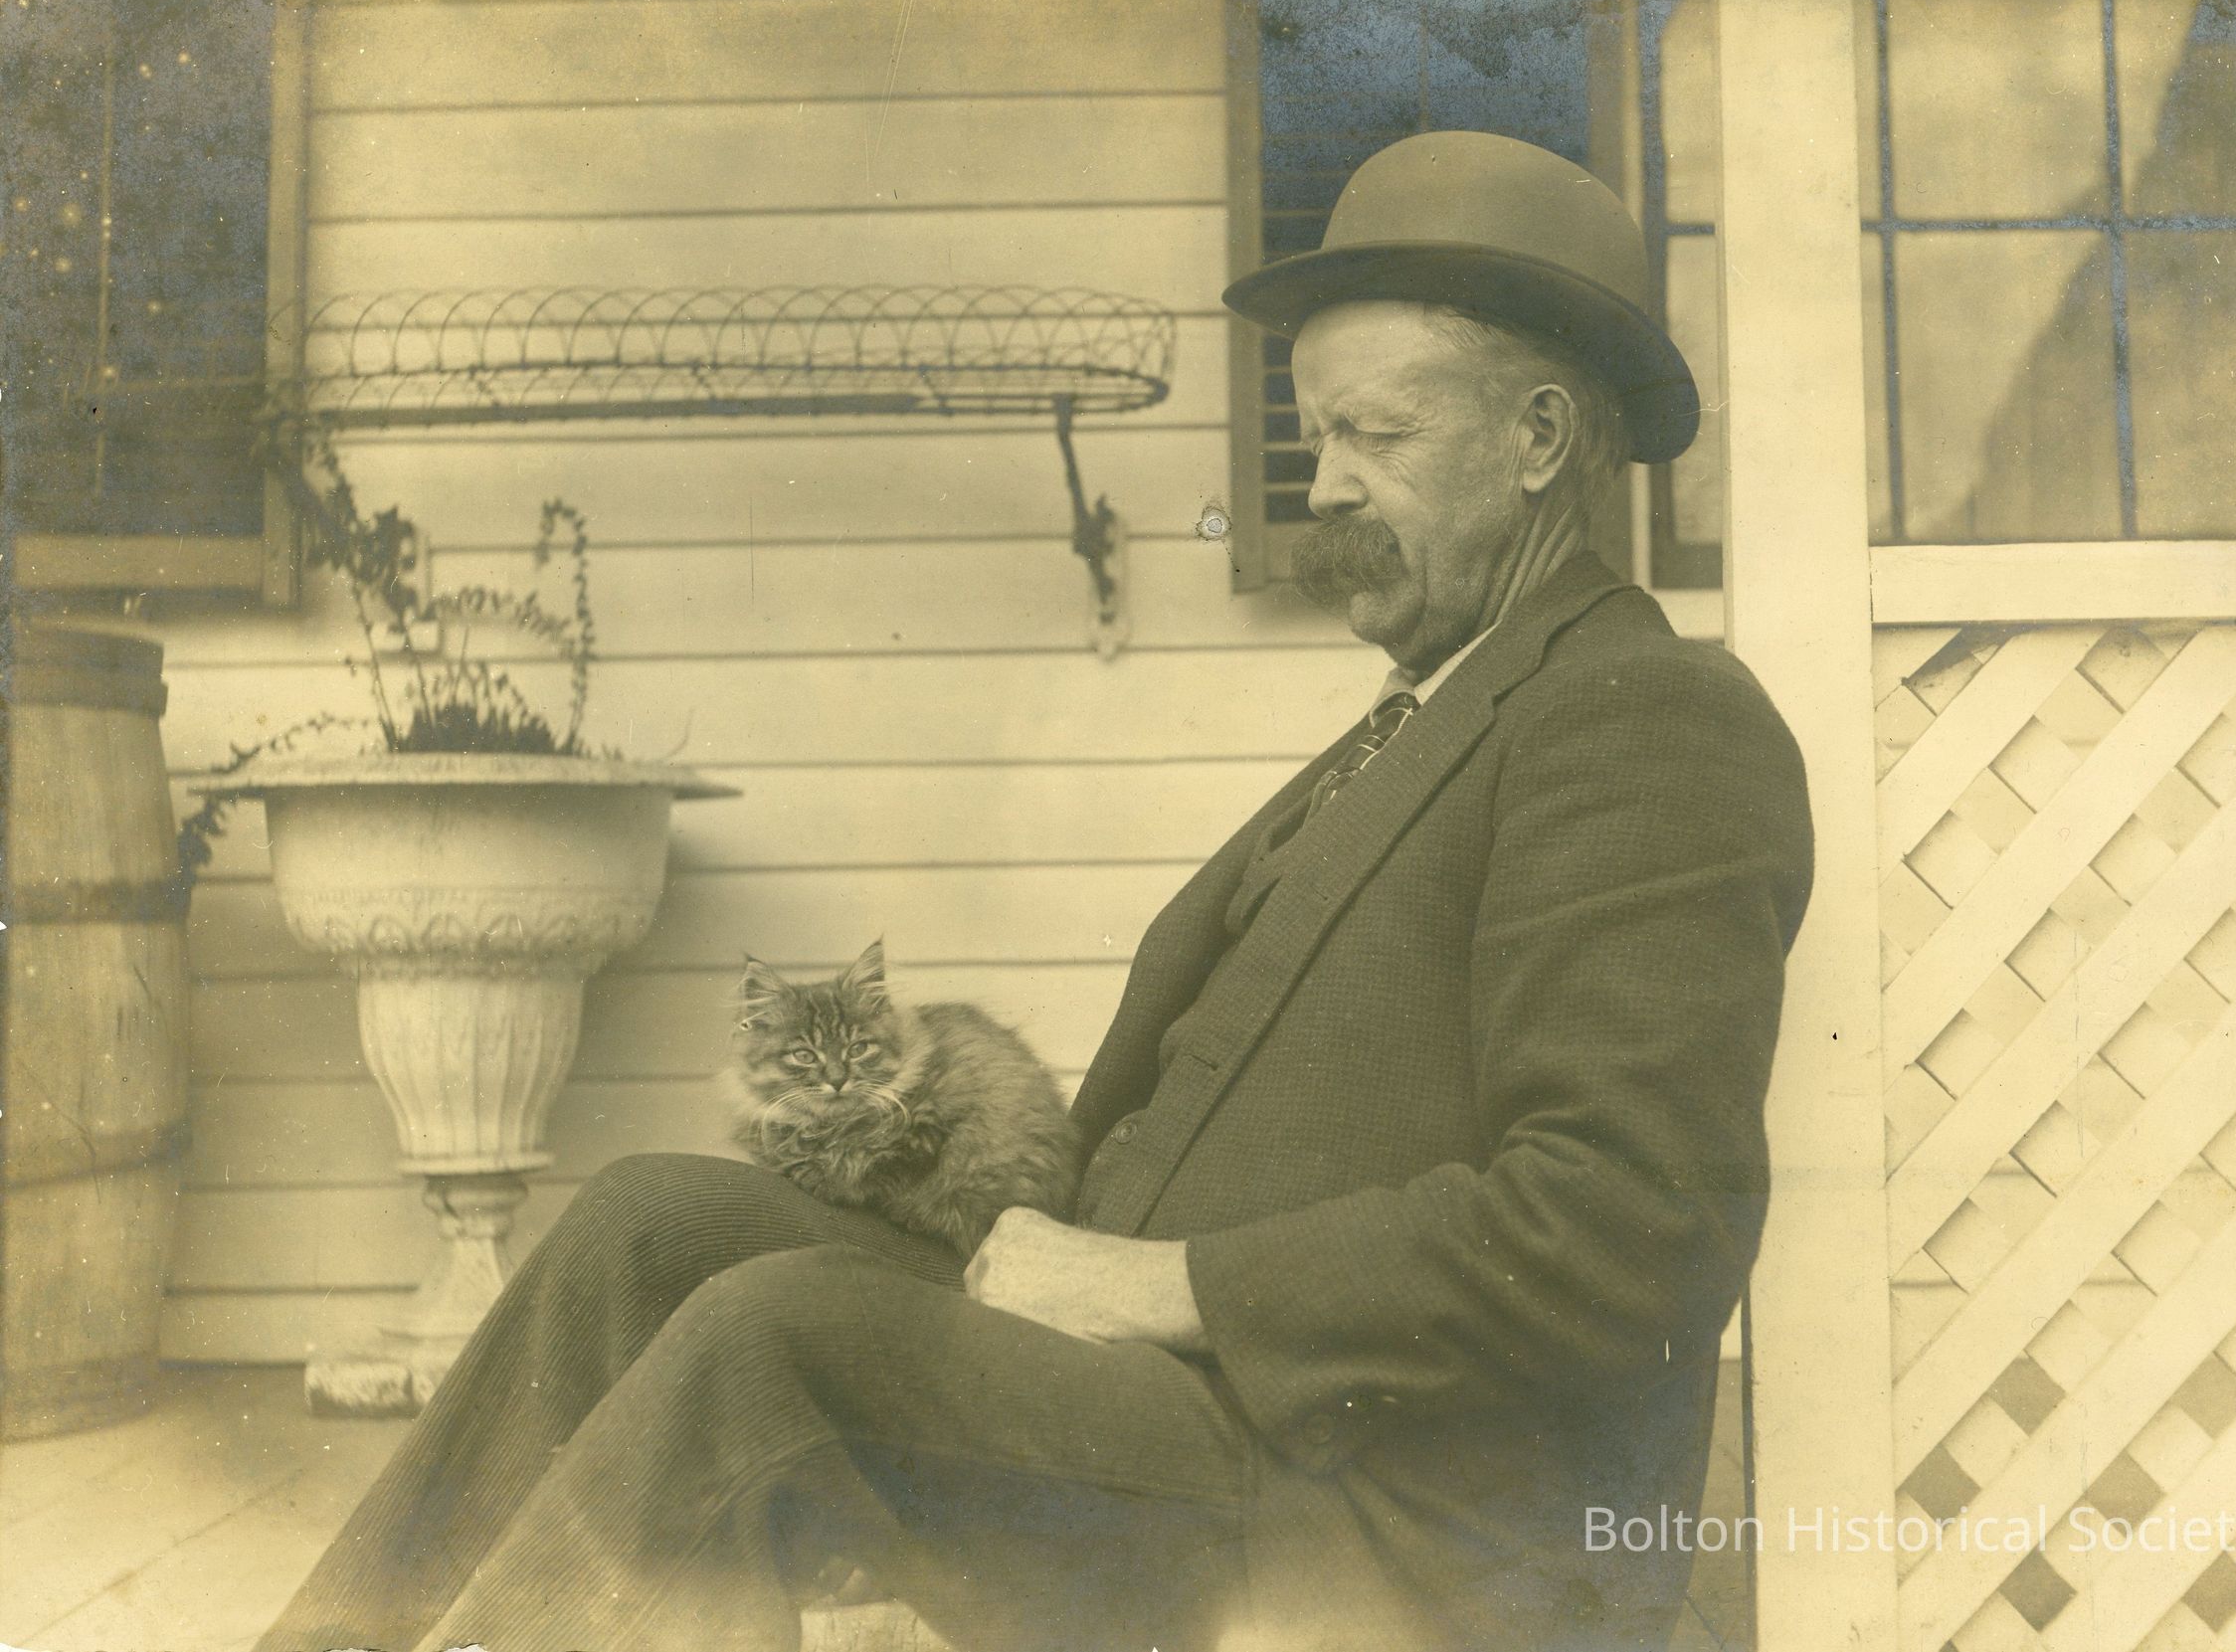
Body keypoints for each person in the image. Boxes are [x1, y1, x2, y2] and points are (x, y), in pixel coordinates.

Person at [256, 130, 1812, 1652]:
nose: (1325, 484)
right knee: (647, 1225)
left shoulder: (1643, 716)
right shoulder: (1425, 714)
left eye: (1378, 437)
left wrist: (1165, 1283)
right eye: (1314, 437)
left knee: (771, 1342)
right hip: (1155, 1384)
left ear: (1539, 439)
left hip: (1373, 1505)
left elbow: (1630, 1224)